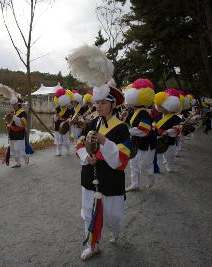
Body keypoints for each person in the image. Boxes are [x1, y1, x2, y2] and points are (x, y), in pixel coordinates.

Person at [75, 85, 131, 261]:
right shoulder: (91, 123)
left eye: (103, 103)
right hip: (90, 176)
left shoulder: (122, 128)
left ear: (113, 105)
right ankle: (92, 245)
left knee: (113, 216)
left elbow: (122, 158)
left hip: (111, 180)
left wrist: (104, 141)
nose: (98, 106)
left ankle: (115, 231)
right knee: (87, 213)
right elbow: (79, 144)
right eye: (96, 102)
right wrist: (86, 156)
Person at [123, 78, 157, 191]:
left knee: (144, 165)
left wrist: (129, 131)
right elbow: (126, 123)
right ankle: (135, 184)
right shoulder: (134, 111)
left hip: (147, 142)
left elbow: (144, 130)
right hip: (137, 141)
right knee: (133, 163)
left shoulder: (143, 112)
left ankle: (150, 176)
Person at [152, 89, 183, 173]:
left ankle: (169, 165)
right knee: (162, 150)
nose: (157, 107)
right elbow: (154, 123)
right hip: (159, 138)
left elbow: (177, 127)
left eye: (160, 106)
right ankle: (165, 161)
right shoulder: (158, 116)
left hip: (169, 139)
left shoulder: (175, 117)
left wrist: (167, 132)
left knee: (170, 154)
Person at [6, 95, 30, 168]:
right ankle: (17, 162)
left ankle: (26, 157)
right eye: (12, 105)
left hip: (19, 133)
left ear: (18, 104)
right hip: (12, 133)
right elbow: (8, 121)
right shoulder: (12, 112)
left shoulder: (23, 113)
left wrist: (14, 117)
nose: (13, 106)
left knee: (19, 149)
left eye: (14, 105)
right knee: (13, 149)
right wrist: (7, 124)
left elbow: (22, 124)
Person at [53, 88, 74, 156]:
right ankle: (58, 151)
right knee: (58, 140)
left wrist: (69, 119)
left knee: (65, 141)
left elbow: (70, 117)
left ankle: (68, 150)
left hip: (65, 126)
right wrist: (55, 117)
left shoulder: (69, 109)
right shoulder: (57, 108)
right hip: (57, 126)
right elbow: (55, 117)